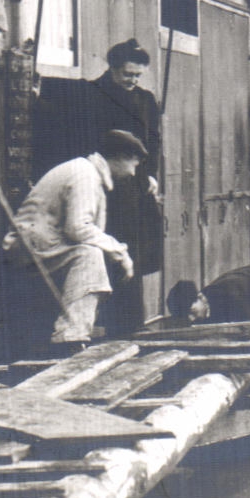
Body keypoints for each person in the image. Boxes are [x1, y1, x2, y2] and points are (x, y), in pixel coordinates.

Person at [49, 39, 164, 337]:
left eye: (138, 75)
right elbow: (80, 140)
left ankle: (129, 326)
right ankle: (99, 325)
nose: (133, 81)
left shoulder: (146, 100)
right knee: (102, 253)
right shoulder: (91, 95)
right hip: (102, 191)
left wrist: (152, 174)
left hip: (135, 190)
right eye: (128, 74)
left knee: (131, 257)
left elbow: (154, 141)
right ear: (112, 69)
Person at [3, 130, 146, 351]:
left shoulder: (88, 172)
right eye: (134, 164)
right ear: (121, 157)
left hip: (45, 243)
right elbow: (77, 228)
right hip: (29, 246)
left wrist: (115, 250)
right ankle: (71, 337)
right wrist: (120, 252)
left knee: (95, 252)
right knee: (90, 255)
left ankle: (79, 328)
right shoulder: (85, 175)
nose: (134, 173)